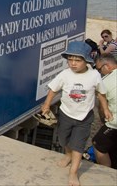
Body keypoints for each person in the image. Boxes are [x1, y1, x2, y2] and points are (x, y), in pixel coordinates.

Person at [41, 41, 111, 186]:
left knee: (78, 145)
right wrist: (47, 105)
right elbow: (53, 89)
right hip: (66, 114)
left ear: (86, 61)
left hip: (84, 118)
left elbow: (101, 94)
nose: (73, 63)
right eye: (70, 60)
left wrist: (105, 109)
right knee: (63, 139)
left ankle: (73, 172)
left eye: (77, 60)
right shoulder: (64, 74)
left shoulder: (94, 76)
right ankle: (68, 155)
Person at [93, 54, 117, 169]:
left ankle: (107, 173)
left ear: (107, 66)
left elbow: (102, 107)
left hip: (114, 122)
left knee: (98, 144)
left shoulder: (105, 82)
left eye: (99, 69)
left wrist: (104, 119)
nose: (99, 72)